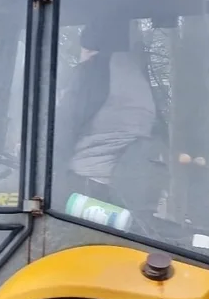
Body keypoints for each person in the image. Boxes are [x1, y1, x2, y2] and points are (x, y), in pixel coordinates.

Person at [56, 21, 158, 208]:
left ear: (88, 48)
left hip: (83, 185)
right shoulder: (137, 79)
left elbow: (63, 128)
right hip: (121, 188)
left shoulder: (93, 71)